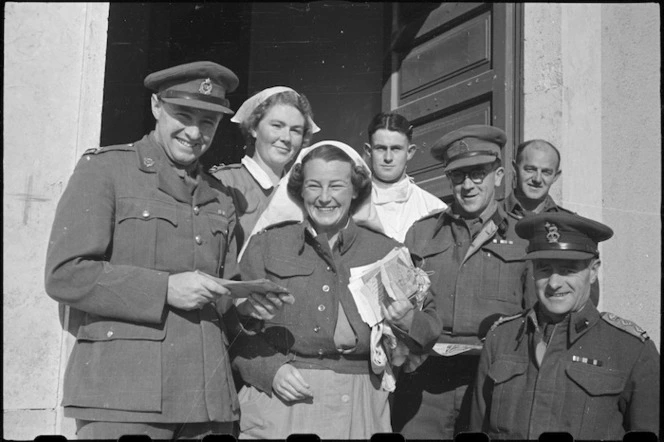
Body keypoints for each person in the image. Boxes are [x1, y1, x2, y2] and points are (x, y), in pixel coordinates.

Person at [44, 61, 285, 440]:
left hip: (206, 399)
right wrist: (165, 289)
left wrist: (243, 305)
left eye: (207, 122)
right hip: (124, 396)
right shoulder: (105, 170)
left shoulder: (221, 196)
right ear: (157, 106)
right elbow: (66, 274)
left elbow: (223, 290)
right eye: (183, 115)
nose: (194, 132)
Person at [230, 141, 442, 439]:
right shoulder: (267, 246)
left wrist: (406, 319)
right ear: (300, 190)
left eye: (337, 186)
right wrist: (268, 369)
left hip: (360, 406)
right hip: (280, 402)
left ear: (355, 190)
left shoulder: (385, 251)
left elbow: (429, 330)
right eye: (314, 186)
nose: (325, 197)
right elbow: (232, 326)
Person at [391, 124, 535, 439]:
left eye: (478, 173)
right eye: (458, 176)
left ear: (498, 176)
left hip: (493, 379)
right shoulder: (422, 233)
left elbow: (536, 316)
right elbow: (399, 306)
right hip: (427, 383)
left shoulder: (524, 237)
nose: (467, 185)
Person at [470, 212, 660, 439]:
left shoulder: (631, 349)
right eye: (544, 268)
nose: (553, 283)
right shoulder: (501, 338)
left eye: (568, 269)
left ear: (593, 271)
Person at [211, 86, 320, 251]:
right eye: (277, 126)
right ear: (254, 128)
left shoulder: (302, 190)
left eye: (296, 130)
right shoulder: (225, 182)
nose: (286, 138)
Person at [504, 139, 600, 306]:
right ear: (514, 168)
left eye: (546, 172)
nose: (537, 179)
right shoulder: (492, 218)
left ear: (556, 176)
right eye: (530, 169)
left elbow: (587, 296)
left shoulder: (571, 226)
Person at [363, 112, 447, 242]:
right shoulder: (351, 205)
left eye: (396, 149)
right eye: (380, 148)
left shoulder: (433, 209)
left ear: (410, 152)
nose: (388, 158)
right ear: (369, 151)